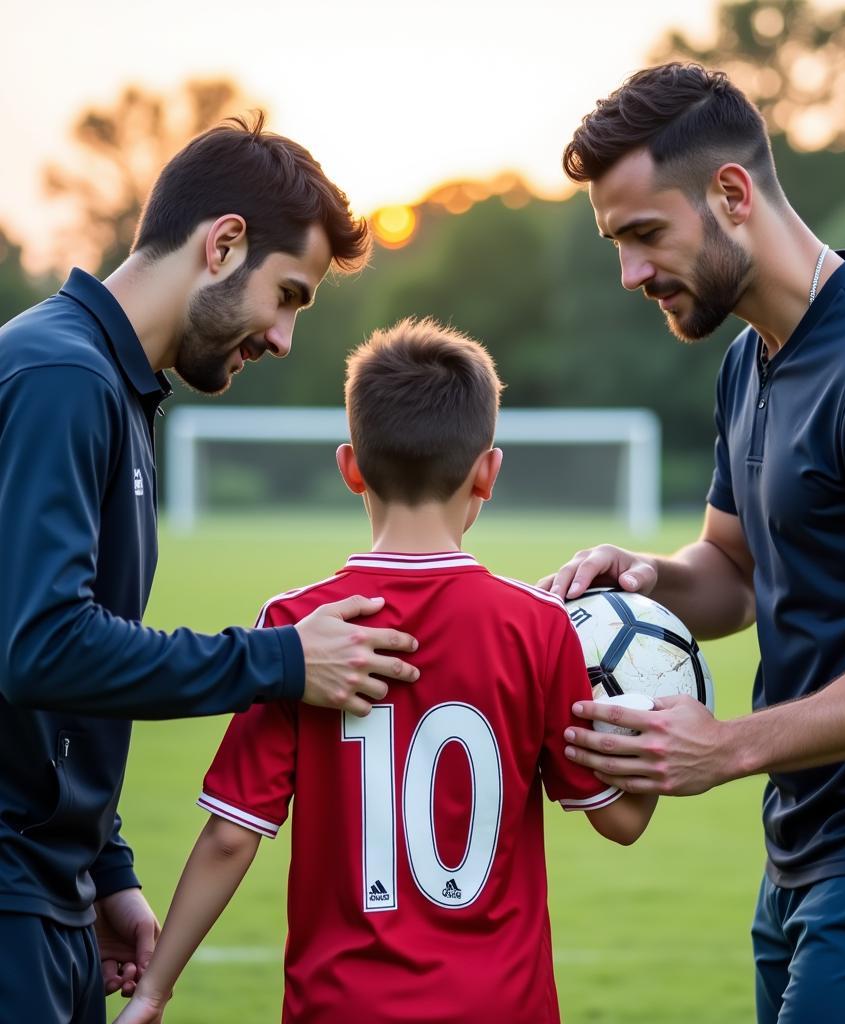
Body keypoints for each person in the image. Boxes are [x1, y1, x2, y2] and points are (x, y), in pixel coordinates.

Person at [539, 63, 845, 1023]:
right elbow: (733, 572)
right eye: (616, 244)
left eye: (645, 235)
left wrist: (730, 747)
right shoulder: (749, 362)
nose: (631, 274)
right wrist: (643, 579)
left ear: (731, 194)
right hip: (807, 849)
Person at [110, 317, 656, 1024]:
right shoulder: (540, 626)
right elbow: (621, 822)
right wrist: (654, 717)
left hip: (340, 1005)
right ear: (488, 472)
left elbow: (230, 835)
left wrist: (155, 990)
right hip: (501, 1007)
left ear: (350, 467)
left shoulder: (299, 627)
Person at [0, 115, 421, 1024]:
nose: (282, 338)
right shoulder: (58, 378)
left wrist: (104, 865)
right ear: (224, 244)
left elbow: (55, 695)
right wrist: (280, 662)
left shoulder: (112, 390)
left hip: (52, 895)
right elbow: (41, 646)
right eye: (288, 296)